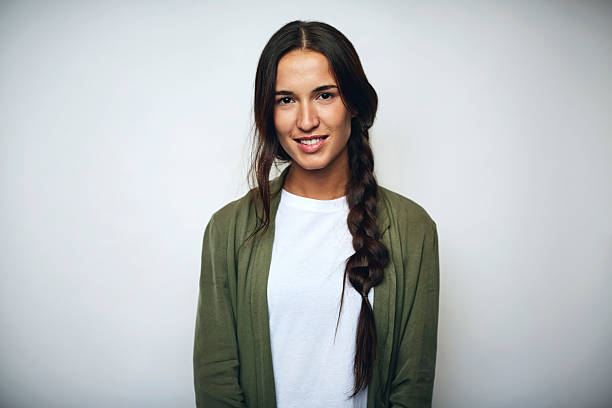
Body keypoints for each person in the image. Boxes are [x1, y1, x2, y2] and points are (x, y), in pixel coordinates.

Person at [193, 20, 439, 408]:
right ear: (268, 112)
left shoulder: (412, 229)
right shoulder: (228, 230)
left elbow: (413, 383)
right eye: (286, 100)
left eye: (324, 95)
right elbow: (217, 377)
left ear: (353, 103)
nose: (306, 121)